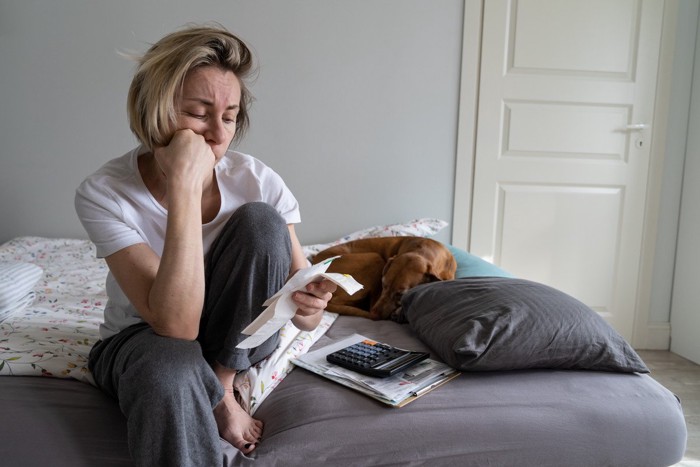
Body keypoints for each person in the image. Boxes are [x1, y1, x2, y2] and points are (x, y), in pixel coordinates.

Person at [74, 24, 337, 466]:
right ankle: (212, 389)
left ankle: (222, 379)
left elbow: (303, 305)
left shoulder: (256, 179)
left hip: (240, 336)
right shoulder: (104, 192)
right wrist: (184, 188)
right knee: (168, 370)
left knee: (260, 220)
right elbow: (175, 328)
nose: (218, 133)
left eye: (230, 117)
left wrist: (310, 307)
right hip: (145, 338)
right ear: (155, 111)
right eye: (199, 113)